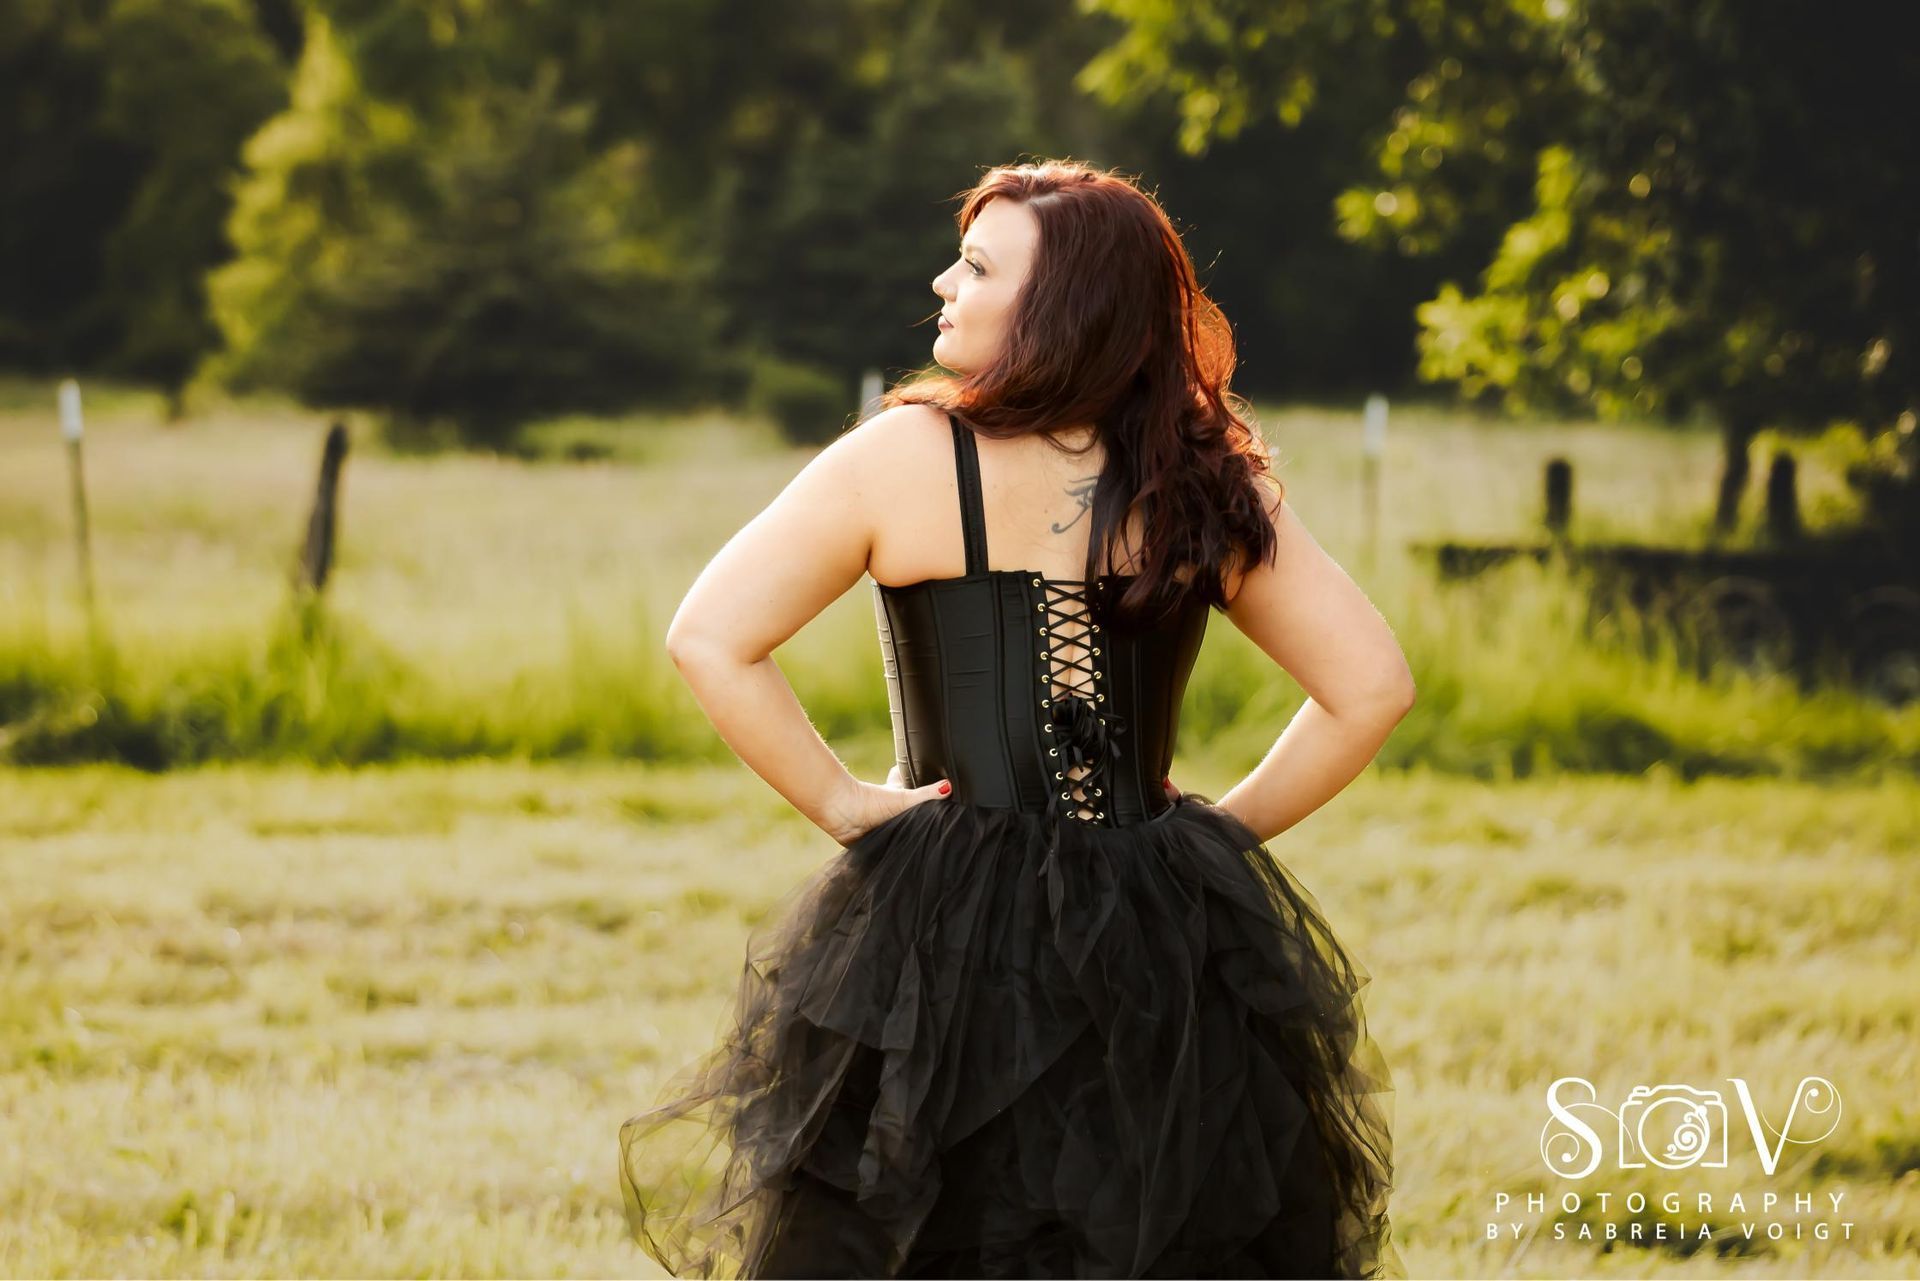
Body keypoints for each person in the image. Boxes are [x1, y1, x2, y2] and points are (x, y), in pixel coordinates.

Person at [619, 159, 1411, 1279]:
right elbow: (1372, 686)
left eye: (980, 265)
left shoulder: (902, 456)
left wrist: (848, 805)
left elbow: (710, 636)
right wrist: (1217, 840)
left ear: (1063, 303)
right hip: (1159, 928)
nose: (944, 280)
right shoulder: (1197, 473)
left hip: (938, 921)